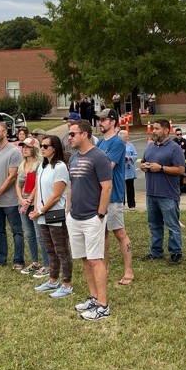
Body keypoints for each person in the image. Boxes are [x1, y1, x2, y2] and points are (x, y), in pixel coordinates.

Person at [65, 119, 113, 321]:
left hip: (92, 217)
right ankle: (93, 298)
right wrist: (68, 210)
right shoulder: (74, 158)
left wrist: (100, 214)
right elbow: (71, 186)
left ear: (84, 134)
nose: (70, 138)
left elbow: (107, 187)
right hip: (74, 217)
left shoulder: (99, 157)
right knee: (85, 259)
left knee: (95, 259)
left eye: (73, 134)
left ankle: (103, 305)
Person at [31, 136, 73, 297]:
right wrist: (36, 209)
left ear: (54, 148)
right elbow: (38, 189)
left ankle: (66, 284)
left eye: (45, 146)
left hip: (55, 213)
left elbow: (56, 195)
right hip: (42, 213)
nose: (41, 148)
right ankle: (53, 280)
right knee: (50, 249)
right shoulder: (43, 166)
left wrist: (41, 211)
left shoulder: (60, 167)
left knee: (61, 249)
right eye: (40, 145)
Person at [97, 108, 134, 286]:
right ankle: (104, 267)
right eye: (99, 120)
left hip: (114, 195)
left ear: (113, 122)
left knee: (119, 232)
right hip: (100, 195)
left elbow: (107, 167)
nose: (100, 123)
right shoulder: (100, 144)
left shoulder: (118, 143)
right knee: (102, 233)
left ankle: (129, 271)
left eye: (104, 120)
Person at [141, 118, 186, 264]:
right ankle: (156, 251)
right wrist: (144, 166)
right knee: (154, 224)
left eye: (156, 129)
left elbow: (180, 169)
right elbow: (143, 161)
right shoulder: (150, 147)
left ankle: (175, 252)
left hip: (167, 194)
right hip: (151, 193)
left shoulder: (174, 148)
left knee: (172, 224)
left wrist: (161, 168)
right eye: (153, 128)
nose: (153, 131)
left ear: (166, 130)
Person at [0, 121, 25, 268]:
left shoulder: (14, 152)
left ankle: (18, 261)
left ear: (5, 133)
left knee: (17, 231)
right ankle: (0, 259)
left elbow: (12, 176)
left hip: (11, 201)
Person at [16, 137, 49, 276]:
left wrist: (28, 201)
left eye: (28, 147)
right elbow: (18, 184)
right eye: (23, 146)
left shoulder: (40, 164)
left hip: (35, 202)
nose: (25, 149)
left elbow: (37, 185)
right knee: (29, 234)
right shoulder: (22, 164)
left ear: (34, 148)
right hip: (22, 201)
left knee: (39, 234)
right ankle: (35, 262)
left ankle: (47, 264)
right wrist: (21, 200)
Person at [123, 138, 138, 210]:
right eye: (125, 136)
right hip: (121, 170)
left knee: (130, 187)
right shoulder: (117, 145)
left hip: (129, 169)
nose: (127, 138)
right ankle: (121, 204)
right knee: (120, 188)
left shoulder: (131, 145)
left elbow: (135, 155)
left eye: (127, 136)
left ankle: (131, 205)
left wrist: (130, 158)